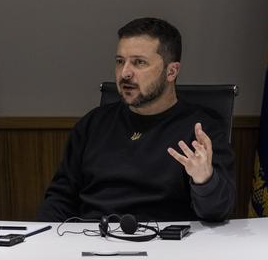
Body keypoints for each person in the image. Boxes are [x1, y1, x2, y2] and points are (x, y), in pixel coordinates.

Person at [37, 17, 236, 222]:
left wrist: (205, 181)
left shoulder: (200, 130)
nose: (125, 73)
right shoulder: (93, 124)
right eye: (120, 61)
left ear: (171, 71)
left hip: (165, 245)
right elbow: (60, 199)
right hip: (91, 239)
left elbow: (218, 212)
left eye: (139, 62)